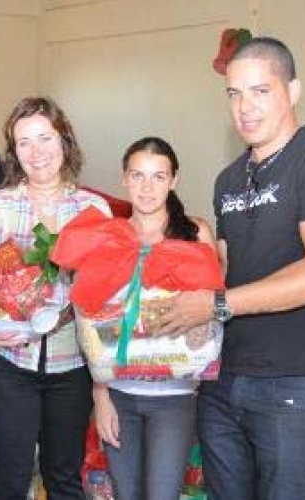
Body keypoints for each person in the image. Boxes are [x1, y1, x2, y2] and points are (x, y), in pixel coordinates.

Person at [159, 33, 305, 500]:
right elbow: (227, 271)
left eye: (260, 91)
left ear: (293, 92)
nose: (244, 108)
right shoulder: (229, 178)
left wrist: (214, 304)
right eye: (234, 94)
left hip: (291, 382)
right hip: (223, 377)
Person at [0, 97, 111, 500]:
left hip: (71, 365)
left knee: (64, 475)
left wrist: (64, 311)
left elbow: (101, 294)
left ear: (64, 140)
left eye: (45, 138)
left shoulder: (91, 208)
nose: (37, 152)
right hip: (7, 362)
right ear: (13, 153)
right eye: (24, 143)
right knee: (8, 476)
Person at [92, 136, 218, 500]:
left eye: (159, 176)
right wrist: (101, 397)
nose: (147, 187)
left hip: (174, 397)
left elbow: (211, 314)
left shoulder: (194, 234)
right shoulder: (108, 238)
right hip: (119, 395)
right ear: (124, 179)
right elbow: (93, 320)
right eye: (138, 175)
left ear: (174, 180)